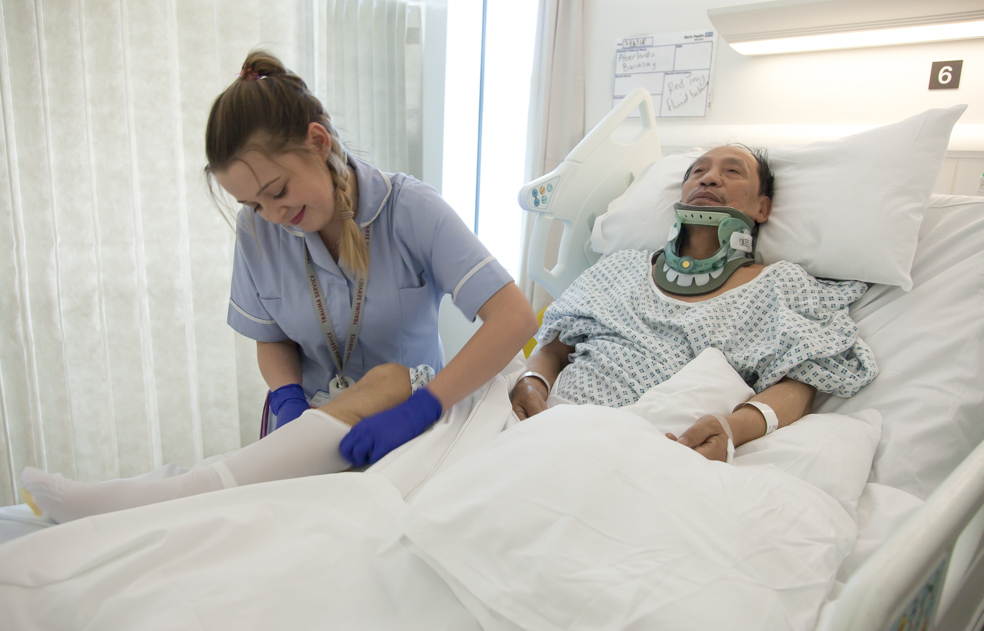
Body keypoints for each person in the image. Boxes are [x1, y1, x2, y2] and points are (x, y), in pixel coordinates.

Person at [19, 50, 537, 523]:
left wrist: (423, 408)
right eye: (254, 205)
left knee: (388, 378)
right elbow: (271, 338)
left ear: (318, 142)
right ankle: (154, 499)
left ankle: (141, 499)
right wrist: (287, 399)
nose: (273, 215)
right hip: (305, 429)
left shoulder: (411, 210)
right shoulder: (259, 231)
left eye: (277, 191)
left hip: (402, 418)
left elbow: (514, 318)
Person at [509, 144, 878, 462]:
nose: (709, 178)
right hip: (545, 424)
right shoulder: (620, 266)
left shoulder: (778, 286)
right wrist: (530, 380)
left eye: (732, 172)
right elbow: (554, 349)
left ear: (762, 208)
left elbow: (800, 385)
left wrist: (732, 428)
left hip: (650, 447)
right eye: (698, 171)